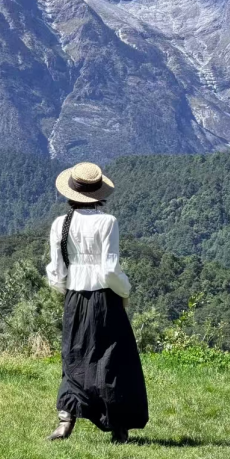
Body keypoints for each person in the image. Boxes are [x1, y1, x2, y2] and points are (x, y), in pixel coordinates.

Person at [46, 161, 149, 444]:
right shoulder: (107, 222)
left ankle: (66, 419)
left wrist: (67, 292)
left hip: (74, 297)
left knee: (74, 357)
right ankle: (118, 427)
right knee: (113, 359)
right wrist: (125, 290)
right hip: (105, 298)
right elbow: (109, 270)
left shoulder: (61, 224)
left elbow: (56, 270)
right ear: (98, 193)